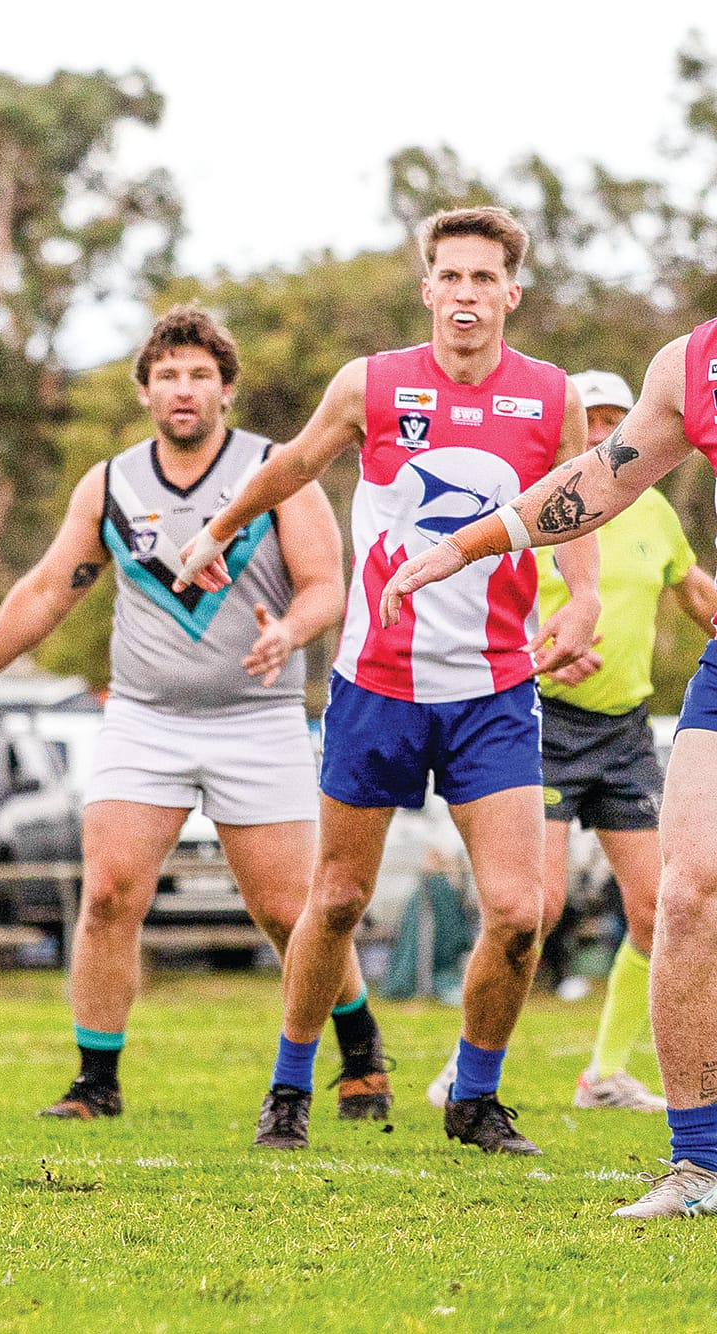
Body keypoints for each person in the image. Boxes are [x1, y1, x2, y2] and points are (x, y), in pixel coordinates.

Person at [177, 206, 599, 1154]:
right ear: (426, 289)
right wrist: (217, 528)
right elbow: (290, 464)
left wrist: (584, 600)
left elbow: (576, 505)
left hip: (494, 689)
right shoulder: (372, 384)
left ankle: (475, 1098)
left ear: (510, 294)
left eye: (483, 278)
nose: (465, 294)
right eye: (449, 276)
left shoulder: (551, 396)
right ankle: (289, 1087)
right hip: (378, 684)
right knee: (334, 901)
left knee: (522, 913)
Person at [0, 305, 390, 1121]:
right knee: (108, 894)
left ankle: (358, 1048)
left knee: (290, 914)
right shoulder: (110, 484)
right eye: (167, 374)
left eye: (200, 374)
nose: (184, 388)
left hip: (258, 719)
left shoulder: (275, 470)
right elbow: (45, 590)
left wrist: (291, 630)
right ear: (143, 392)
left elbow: (326, 588)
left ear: (227, 390)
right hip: (145, 719)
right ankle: (95, 1083)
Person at [380, 315, 717, 1214]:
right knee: (681, 894)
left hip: (617, 725)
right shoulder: (691, 362)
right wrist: (466, 542)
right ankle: (701, 1166)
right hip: (570, 718)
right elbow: (600, 480)